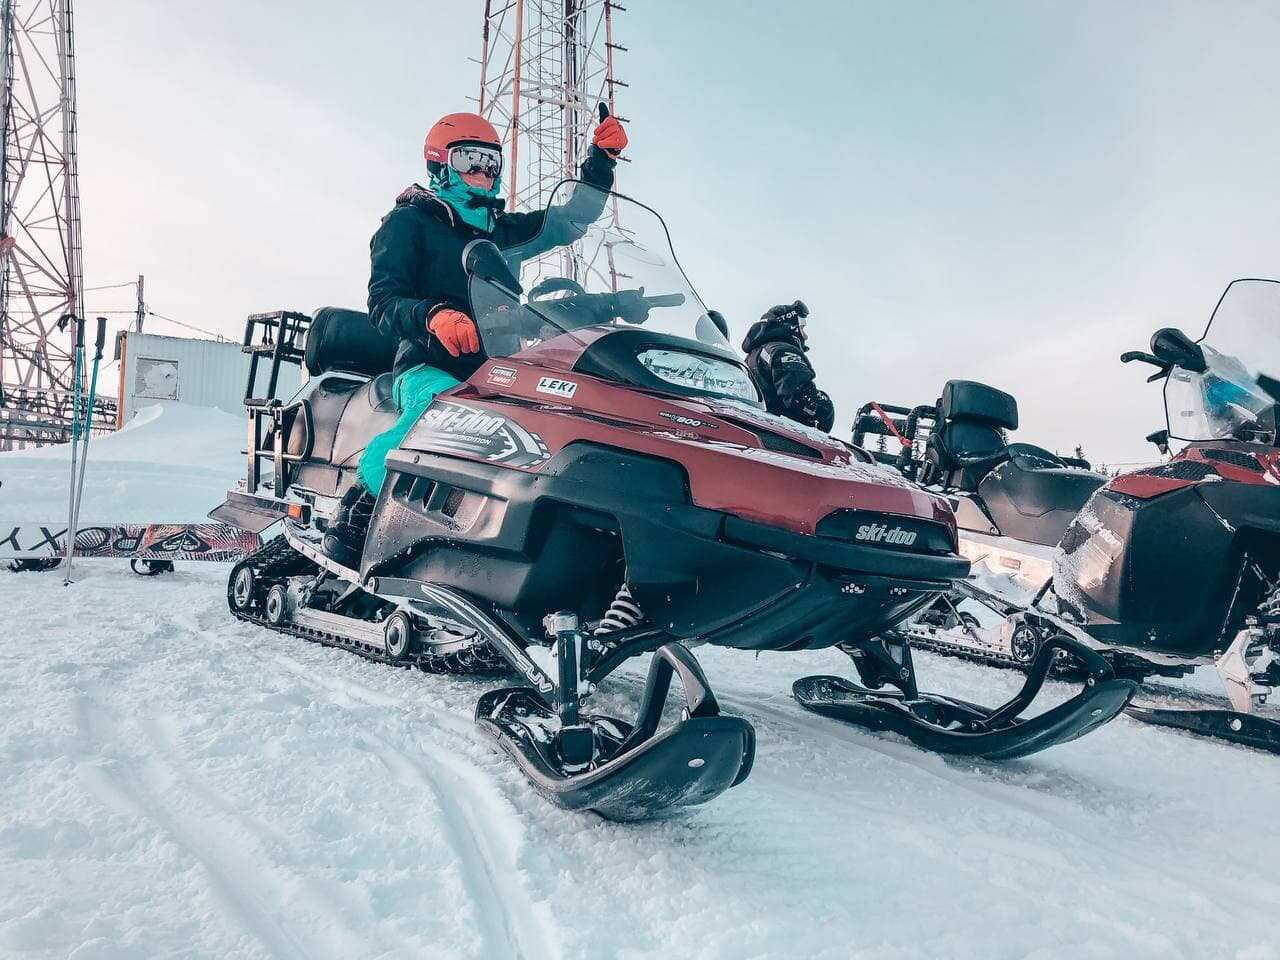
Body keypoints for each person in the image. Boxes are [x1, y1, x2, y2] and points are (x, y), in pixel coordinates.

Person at [322, 109, 628, 566]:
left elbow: (569, 222)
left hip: (500, 371)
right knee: (438, 418)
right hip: (430, 365)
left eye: (492, 162)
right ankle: (357, 514)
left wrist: (601, 160)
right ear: (440, 164)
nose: (483, 173)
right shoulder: (408, 223)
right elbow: (383, 303)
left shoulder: (501, 230)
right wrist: (434, 316)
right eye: (470, 160)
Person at [741, 300, 835, 432]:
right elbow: (803, 400)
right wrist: (825, 409)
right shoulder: (782, 352)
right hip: (785, 437)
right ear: (790, 326)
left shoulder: (754, 356)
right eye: (802, 328)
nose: (805, 336)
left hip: (762, 430)